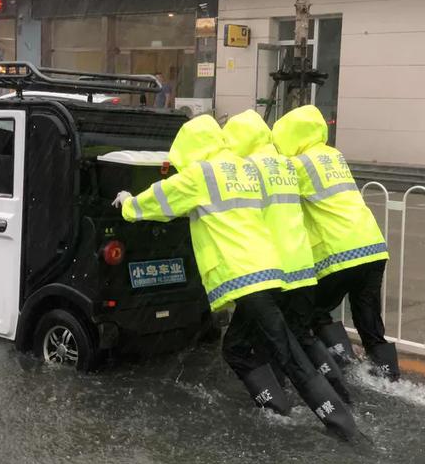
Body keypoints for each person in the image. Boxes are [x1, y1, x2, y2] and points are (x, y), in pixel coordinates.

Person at [113, 114, 357, 439]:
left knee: (289, 353)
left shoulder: (202, 175)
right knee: (240, 347)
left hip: (246, 276)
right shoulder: (244, 171)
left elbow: (160, 199)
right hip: (273, 271)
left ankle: (344, 426)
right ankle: (280, 410)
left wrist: (128, 203)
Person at [223, 109, 351, 403]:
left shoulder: (245, 169)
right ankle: (339, 393)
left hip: (267, 270)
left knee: (245, 345)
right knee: (295, 335)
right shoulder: (288, 166)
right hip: (302, 266)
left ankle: (283, 405)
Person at [272, 105, 400, 381]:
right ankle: (389, 381)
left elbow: (267, 182)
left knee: (312, 314)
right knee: (369, 323)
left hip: (340, 252)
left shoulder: (298, 164)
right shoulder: (334, 156)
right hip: (372, 248)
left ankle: (336, 370)